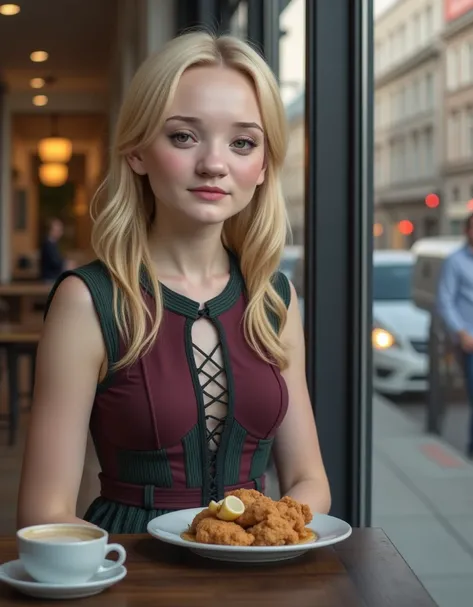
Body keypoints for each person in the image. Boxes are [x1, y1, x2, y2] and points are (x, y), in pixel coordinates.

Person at [17, 31, 331, 534]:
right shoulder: (89, 301)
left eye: (242, 142)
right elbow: (42, 514)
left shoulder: (274, 299)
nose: (213, 163)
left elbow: (308, 478)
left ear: (263, 166)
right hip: (133, 565)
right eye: (184, 136)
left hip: (255, 569)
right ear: (138, 151)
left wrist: (259, 536)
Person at [437, 213, 473, 459]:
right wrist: (462, 333)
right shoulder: (455, 261)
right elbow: (445, 300)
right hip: (471, 341)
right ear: (467, 231)